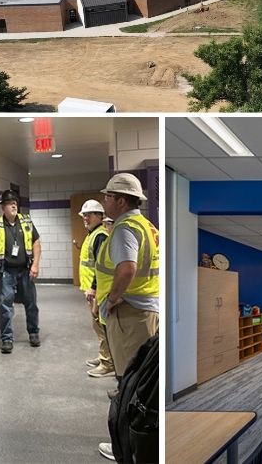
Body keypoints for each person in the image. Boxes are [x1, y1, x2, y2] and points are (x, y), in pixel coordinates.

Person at [96, 174, 159, 462]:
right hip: (146, 310)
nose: (104, 201)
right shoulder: (147, 225)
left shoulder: (124, 229)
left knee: (129, 382)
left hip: (131, 314)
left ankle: (126, 445)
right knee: (142, 381)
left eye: (108, 197)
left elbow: (127, 269)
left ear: (120, 200)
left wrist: (111, 299)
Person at [0, 189, 42, 352]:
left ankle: (33, 333)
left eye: (15, 202)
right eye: (10, 203)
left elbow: (36, 243)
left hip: (26, 269)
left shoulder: (26, 221)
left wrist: (35, 264)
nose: (13, 205)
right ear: (3, 207)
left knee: (31, 303)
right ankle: (7, 339)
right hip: (5, 271)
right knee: (5, 305)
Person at [78, 199, 115, 378]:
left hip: (99, 290)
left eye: (89, 214)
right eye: (84, 215)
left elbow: (101, 267)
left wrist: (93, 289)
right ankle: (104, 357)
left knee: (101, 325)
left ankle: (107, 362)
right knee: (98, 325)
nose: (85, 218)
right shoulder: (92, 234)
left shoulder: (100, 236)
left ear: (100, 216)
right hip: (93, 290)